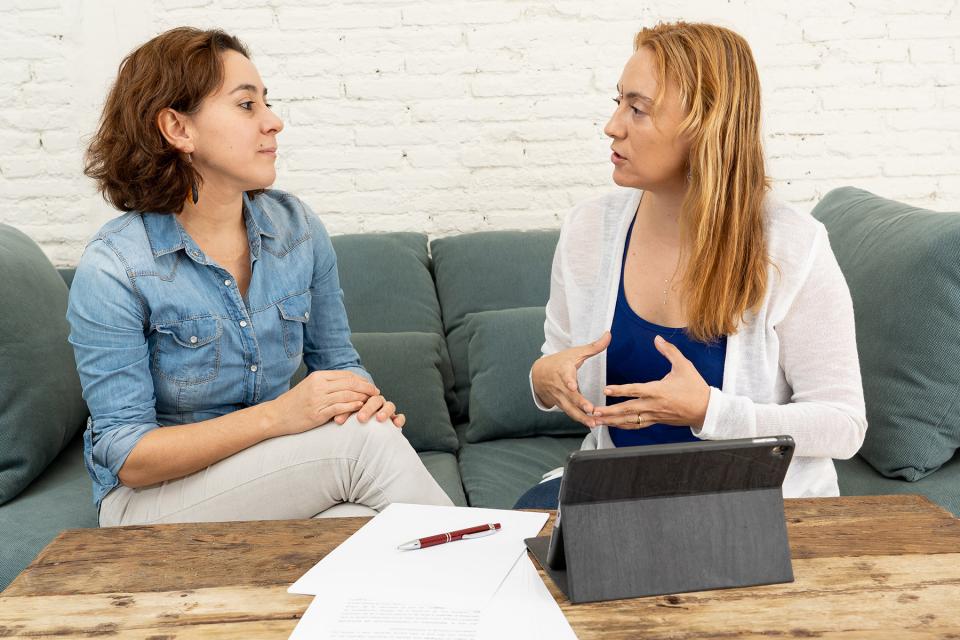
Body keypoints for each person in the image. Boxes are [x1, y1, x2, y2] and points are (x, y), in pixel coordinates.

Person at [69, 27, 452, 526]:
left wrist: (360, 403)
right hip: (150, 501)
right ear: (177, 128)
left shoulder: (296, 229)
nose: (274, 122)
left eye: (266, 103)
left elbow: (337, 359)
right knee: (364, 450)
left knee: (362, 516)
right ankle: (497, 576)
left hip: (263, 474)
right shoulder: (115, 267)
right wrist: (281, 416)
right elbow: (129, 456)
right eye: (247, 106)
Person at [516, 21, 866, 509]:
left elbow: (844, 424)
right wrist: (546, 378)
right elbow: (553, 358)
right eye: (617, 102)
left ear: (705, 125)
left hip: (755, 511)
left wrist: (709, 411)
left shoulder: (792, 246)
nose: (612, 125)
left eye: (637, 109)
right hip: (620, 500)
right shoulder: (586, 230)